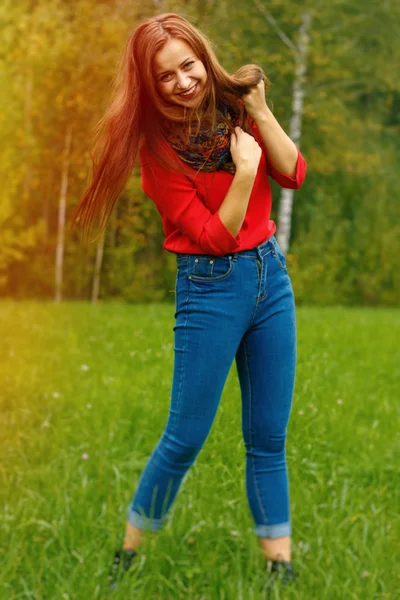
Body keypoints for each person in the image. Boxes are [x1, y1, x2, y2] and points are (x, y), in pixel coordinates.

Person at [71, 12, 306, 593]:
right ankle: (129, 554)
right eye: (165, 76)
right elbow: (213, 237)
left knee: (268, 438)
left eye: (187, 65)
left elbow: (295, 172)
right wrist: (246, 173)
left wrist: (261, 111)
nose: (181, 82)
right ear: (149, 86)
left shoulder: (234, 110)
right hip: (209, 287)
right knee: (185, 436)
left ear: (203, 58)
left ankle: (280, 565)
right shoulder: (158, 152)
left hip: (269, 279)